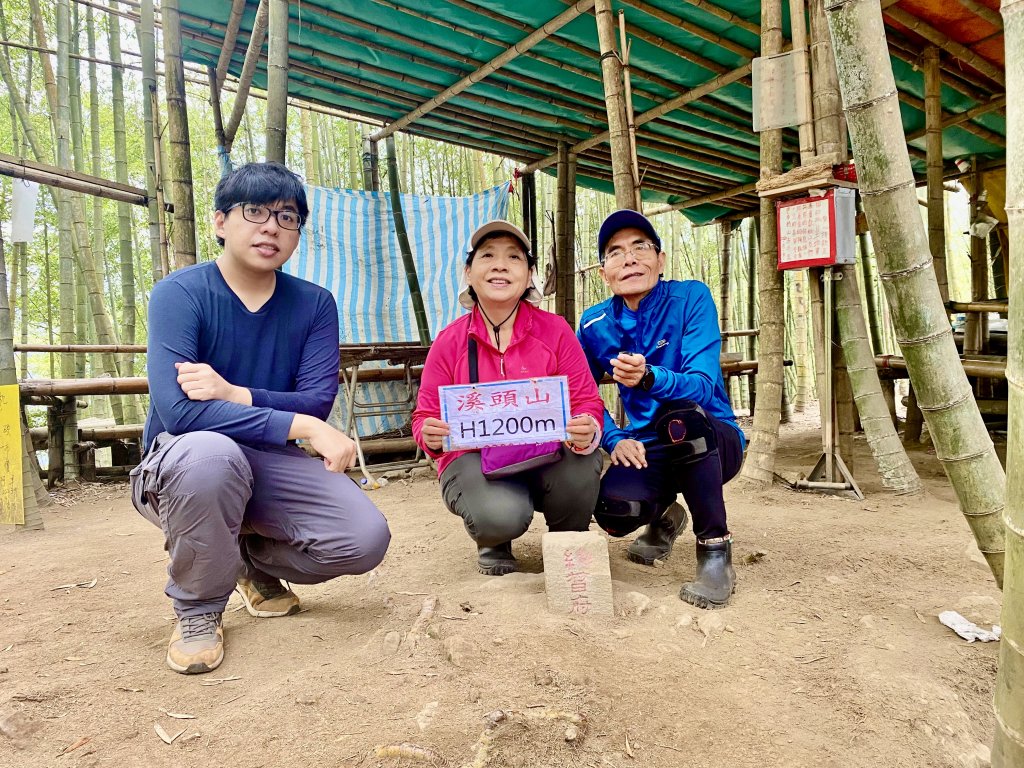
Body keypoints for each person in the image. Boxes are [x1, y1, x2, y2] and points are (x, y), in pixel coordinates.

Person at [131, 162, 391, 674]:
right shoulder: (179, 294)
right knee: (212, 454)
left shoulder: (314, 305)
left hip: (267, 460)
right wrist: (304, 426)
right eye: (255, 212)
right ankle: (199, 609)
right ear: (220, 222)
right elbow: (181, 412)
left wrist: (235, 393)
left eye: (287, 216)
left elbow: (316, 400)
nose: (271, 226)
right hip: (181, 463)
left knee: (363, 538)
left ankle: (249, 560)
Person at [413, 220, 605, 576]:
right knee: (500, 517)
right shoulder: (449, 340)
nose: (500, 265)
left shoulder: (556, 330)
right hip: (475, 461)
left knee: (584, 462)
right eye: (488, 256)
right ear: (468, 272)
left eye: (513, 257)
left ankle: (567, 540)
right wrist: (429, 434)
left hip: (546, 453)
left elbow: (587, 402)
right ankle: (494, 538)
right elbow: (424, 414)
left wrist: (587, 427)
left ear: (529, 273)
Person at [577, 210, 745, 609]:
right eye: (616, 253)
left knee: (682, 419)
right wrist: (615, 437)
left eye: (640, 247)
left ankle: (715, 551)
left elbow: (703, 387)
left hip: (713, 437)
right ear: (605, 274)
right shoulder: (593, 323)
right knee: (612, 512)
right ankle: (667, 517)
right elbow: (579, 393)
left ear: (661, 259)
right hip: (650, 445)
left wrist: (650, 377)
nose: (630, 258)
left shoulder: (691, 298)